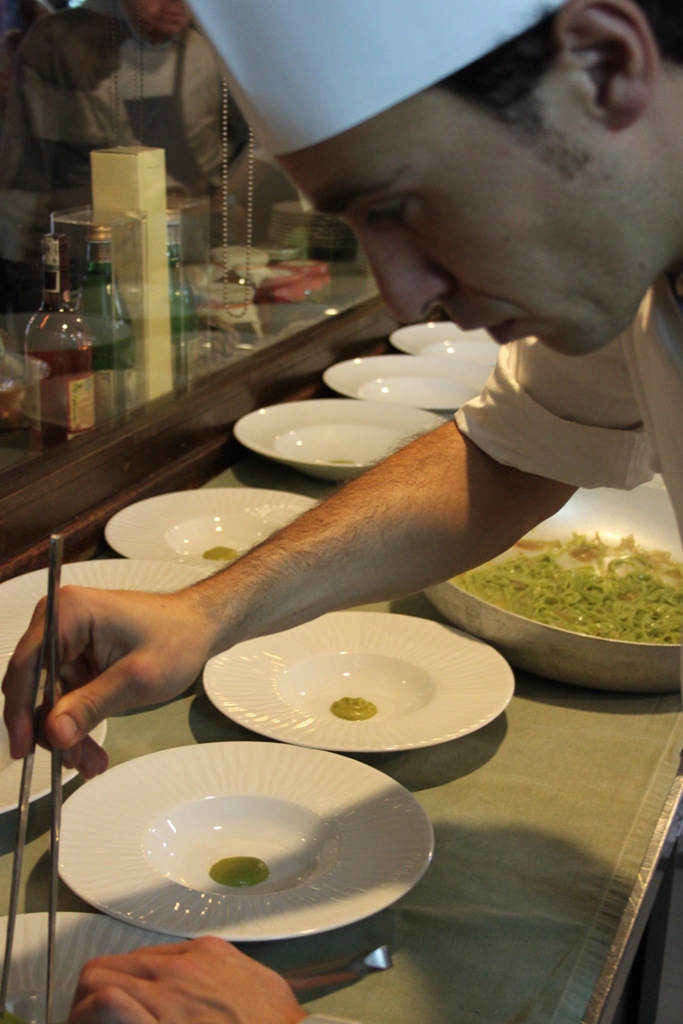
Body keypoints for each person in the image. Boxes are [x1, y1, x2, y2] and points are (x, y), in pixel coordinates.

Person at [5, 0, 683, 1019]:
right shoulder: (630, 259)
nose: (401, 295)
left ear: (600, 65)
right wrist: (208, 611)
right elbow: (505, 454)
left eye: (401, 205)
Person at [0, 0, 247, 312]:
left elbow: (249, 151)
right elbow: (27, 191)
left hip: (184, 265)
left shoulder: (207, 48)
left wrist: (226, 206)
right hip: (85, 269)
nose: (176, 4)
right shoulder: (62, 44)